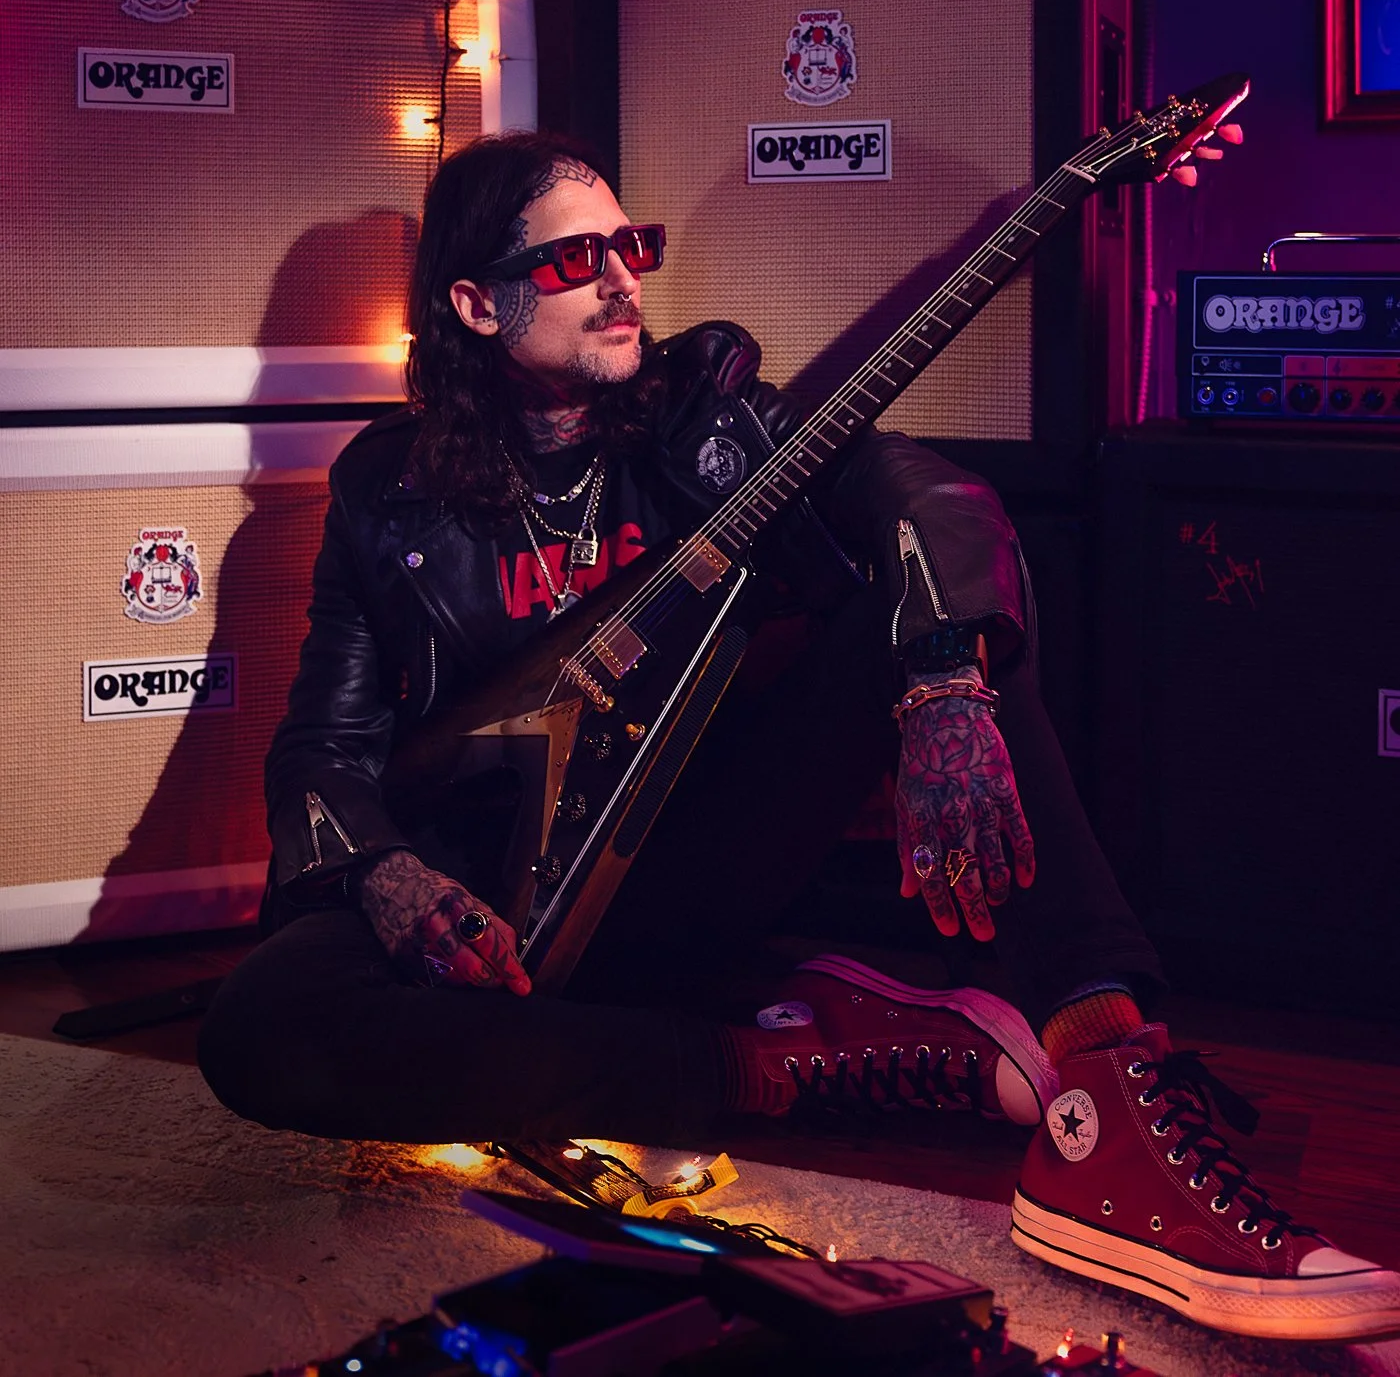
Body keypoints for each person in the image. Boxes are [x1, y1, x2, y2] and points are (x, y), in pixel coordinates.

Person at [200, 133, 1400, 1346]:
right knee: (259, 1032)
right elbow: (320, 750)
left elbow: (927, 496)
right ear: (474, 300)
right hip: (493, 910)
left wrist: (943, 686)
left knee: (943, 605)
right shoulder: (387, 489)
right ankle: (774, 1061)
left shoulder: (701, 417)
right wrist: (394, 876)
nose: (623, 279)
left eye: (630, 246)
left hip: (684, 859)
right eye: (575, 257)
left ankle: (1106, 1095)